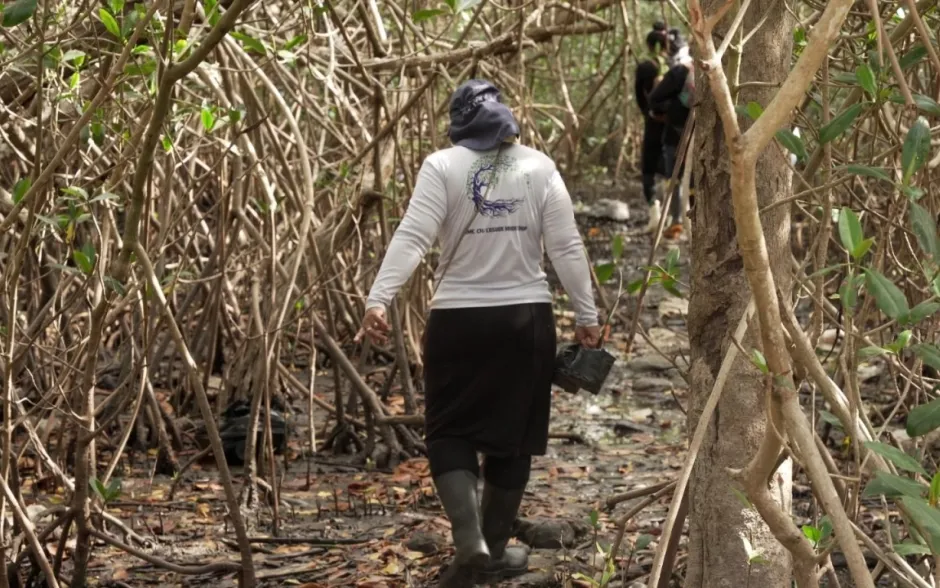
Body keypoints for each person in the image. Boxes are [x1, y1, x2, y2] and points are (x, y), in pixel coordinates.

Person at [357, 79, 601, 587]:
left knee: (449, 430)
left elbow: (413, 235)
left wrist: (379, 298)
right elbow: (567, 247)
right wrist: (587, 314)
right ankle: (485, 559)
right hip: (526, 320)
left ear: (461, 124)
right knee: (512, 444)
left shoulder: (442, 165)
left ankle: (471, 544)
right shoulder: (540, 166)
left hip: (459, 319)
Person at [648, 27, 694, 239]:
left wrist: (670, 111)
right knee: (691, 180)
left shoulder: (680, 71)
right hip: (695, 137)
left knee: (674, 178)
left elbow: (654, 100)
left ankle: (678, 222)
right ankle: (686, 223)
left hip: (676, 135)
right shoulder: (712, 72)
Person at [636, 24, 669, 232]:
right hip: (675, 127)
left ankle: (655, 213)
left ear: (650, 45)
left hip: (652, 124)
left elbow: (640, 98)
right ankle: (673, 217)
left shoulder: (645, 67)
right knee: (673, 170)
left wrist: (649, 114)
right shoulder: (677, 66)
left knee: (648, 170)